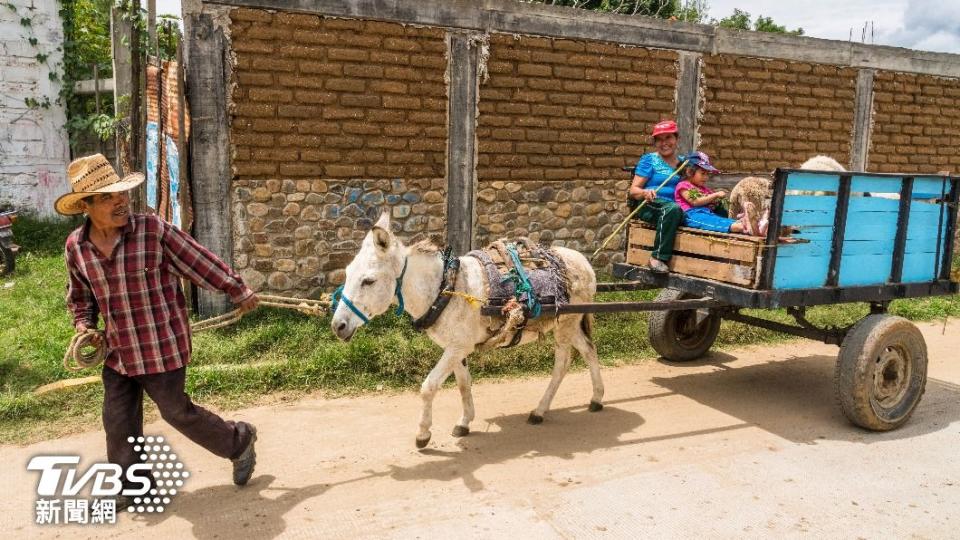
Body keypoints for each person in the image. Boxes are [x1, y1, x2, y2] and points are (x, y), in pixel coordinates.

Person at [56, 154, 261, 502]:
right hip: (118, 351)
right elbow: (80, 297)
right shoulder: (77, 247)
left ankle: (238, 440)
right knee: (118, 421)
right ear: (86, 206)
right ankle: (132, 486)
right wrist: (84, 326)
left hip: (160, 343)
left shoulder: (152, 231)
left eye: (121, 193)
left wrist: (236, 288)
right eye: (108, 197)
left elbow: (198, 260)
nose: (121, 201)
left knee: (176, 411)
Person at [629, 120, 685, 273]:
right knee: (672, 209)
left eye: (668, 138)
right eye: (659, 139)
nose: (664, 143)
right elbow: (633, 191)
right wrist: (645, 192)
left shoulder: (683, 164)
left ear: (676, 139)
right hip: (650, 205)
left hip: (675, 209)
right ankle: (657, 257)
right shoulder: (650, 160)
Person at [674, 151, 759, 235]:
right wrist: (715, 195)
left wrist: (714, 202)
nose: (706, 177)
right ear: (689, 172)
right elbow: (695, 201)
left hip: (707, 213)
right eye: (703, 173)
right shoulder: (683, 186)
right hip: (692, 215)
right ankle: (743, 227)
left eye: (707, 174)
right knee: (714, 223)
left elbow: (710, 201)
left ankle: (751, 224)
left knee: (721, 220)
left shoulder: (704, 189)